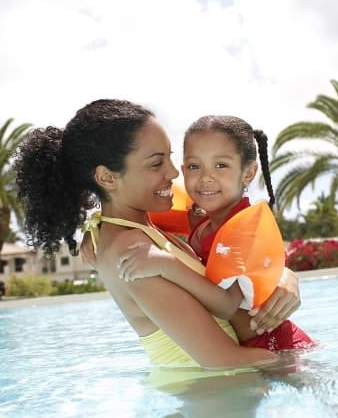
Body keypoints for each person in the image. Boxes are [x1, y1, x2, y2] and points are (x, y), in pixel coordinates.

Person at [13, 99, 278, 370]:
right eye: (156, 164)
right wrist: (297, 360)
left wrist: (284, 279)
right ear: (107, 178)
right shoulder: (133, 253)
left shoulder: (135, 227)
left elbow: (236, 243)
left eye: (170, 158)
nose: (174, 173)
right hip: (219, 396)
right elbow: (222, 361)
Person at [118, 115, 315, 351]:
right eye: (194, 166)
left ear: (248, 173)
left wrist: (165, 265)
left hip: (277, 345)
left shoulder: (241, 230)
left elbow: (227, 305)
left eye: (221, 165)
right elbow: (138, 214)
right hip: (254, 348)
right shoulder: (204, 221)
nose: (205, 178)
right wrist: (96, 229)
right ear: (183, 170)